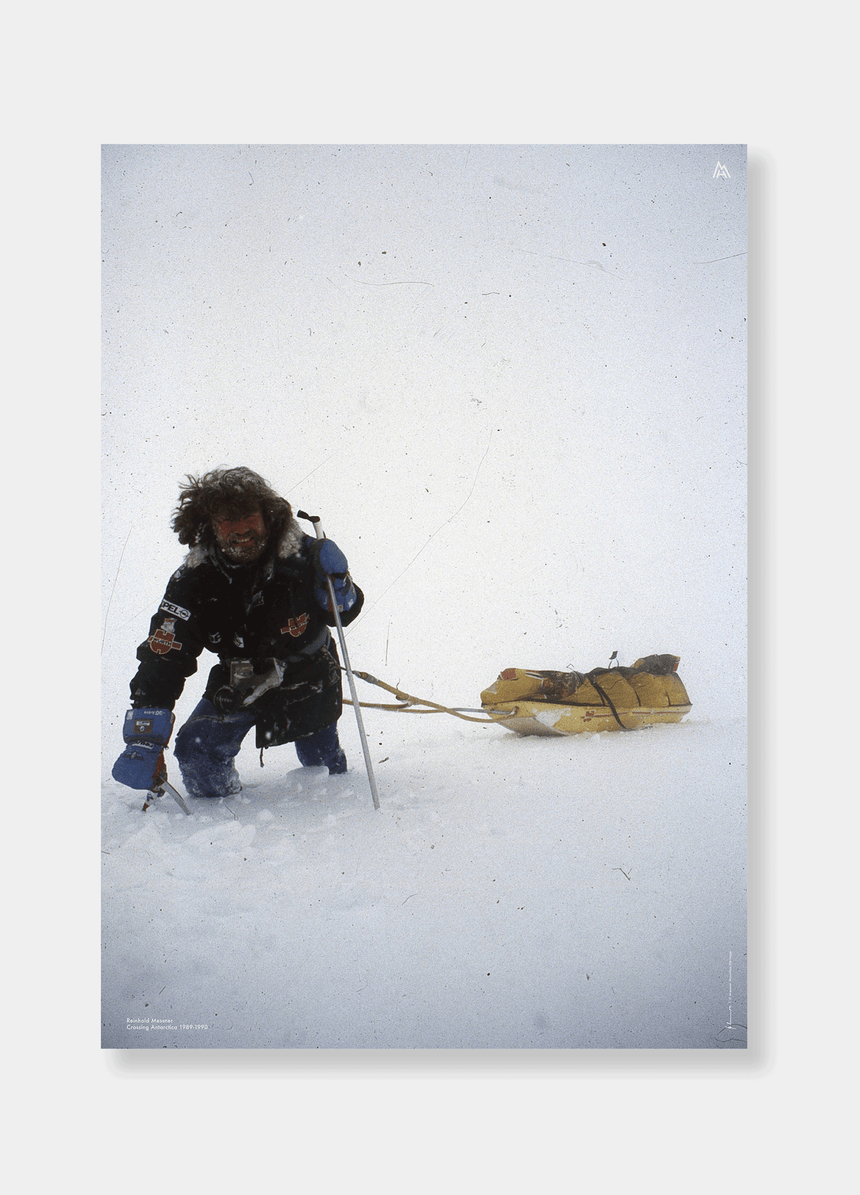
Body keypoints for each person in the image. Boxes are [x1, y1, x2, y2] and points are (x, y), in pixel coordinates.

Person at [112, 467, 364, 799]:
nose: (241, 529)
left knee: (323, 768)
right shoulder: (193, 580)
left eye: (248, 516)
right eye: (227, 520)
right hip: (240, 679)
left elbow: (343, 615)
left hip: (309, 674)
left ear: (267, 516)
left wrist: (341, 586)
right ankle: (220, 826)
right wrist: (145, 736)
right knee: (195, 753)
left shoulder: (304, 556)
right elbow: (165, 656)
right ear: (208, 524)